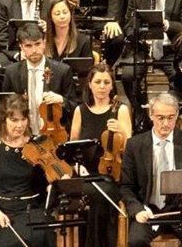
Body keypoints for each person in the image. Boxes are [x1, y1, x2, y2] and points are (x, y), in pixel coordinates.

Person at [120, 92, 182, 247]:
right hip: (149, 212)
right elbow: (126, 187)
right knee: (136, 241)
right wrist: (137, 209)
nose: (166, 123)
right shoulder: (134, 145)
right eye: (160, 117)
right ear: (151, 115)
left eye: (171, 117)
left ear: (176, 116)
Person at [70, 62, 133, 247]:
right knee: (90, 193)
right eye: (98, 82)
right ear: (89, 84)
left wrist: (121, 130)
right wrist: (77, 166)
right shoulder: (80, 110)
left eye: (106, 82)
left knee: (99, 195)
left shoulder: (120, 109)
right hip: (85, 174)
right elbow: (72, 147)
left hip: (111, 174)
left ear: (112, 85)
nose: (102, 87)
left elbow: (131, 148)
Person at [0, 95, 55, 247]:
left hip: (33, 208)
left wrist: (55, 183)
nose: (20, 125)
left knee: (41, 237)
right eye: (14, 120)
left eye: (23, 119)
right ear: (4, 120)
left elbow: (48, 181)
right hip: (2, 210)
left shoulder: (38, 145)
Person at [0, 23, 80, 133]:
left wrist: (61, 100)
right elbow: (5, 108)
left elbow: (75, 107)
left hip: (53, 133)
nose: (34, 50)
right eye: (28, 46)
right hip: (23, 133)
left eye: (37, 44)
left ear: (44, 43)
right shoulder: (11, 72)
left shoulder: (62, 71)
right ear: (21, 47)